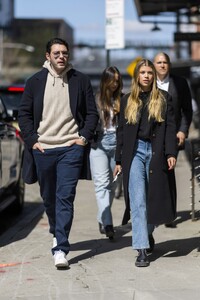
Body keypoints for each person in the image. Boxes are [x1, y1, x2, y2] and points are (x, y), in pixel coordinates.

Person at [18, 37, 99, 269]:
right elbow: (23, 114)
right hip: (43, 149)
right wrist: (32, 140)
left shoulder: (80, 80)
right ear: (48, 56)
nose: (61, 56)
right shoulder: (34, 81)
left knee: (65, 196)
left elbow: (92, 113)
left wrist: (82, 138)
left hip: (70, 149)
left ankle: (61, 247)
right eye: (56, 53)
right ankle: (57, 230)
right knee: (49, 197)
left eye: (64, 53)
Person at [114, 59, 177, 267]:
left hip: (156, 152)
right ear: (137, 76)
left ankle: (148, 233)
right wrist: (118, 159)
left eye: (150, 72)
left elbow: (169, 128)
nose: (147, 76)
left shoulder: (164, 98)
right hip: (134, 153)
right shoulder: (126, 101)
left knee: (153, 199)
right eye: (143, 72)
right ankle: (141, 248)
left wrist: (170, 152)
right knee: (138, 200)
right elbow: (121, 132)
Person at [153, 52, 193, 227]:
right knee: (153, 174)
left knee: (168, 172)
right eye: (159, 62)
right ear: (154, 65)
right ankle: (154, 212)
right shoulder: (147, 81)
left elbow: (186, 110)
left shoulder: (180, 83)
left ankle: (170, 213)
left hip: (172, 135)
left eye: (165, 62)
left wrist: (183, 131)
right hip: (151, 136)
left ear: (169, 65)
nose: (162, 65)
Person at [90, 66, 123, 240]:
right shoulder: (96, 99)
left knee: (113, 186)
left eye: (117, 80)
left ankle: (101, 217)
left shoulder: (122, 100)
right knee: (102, 185)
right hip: (99, 145)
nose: (115, 83)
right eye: (112, 80)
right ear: (105, 80)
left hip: (117, 145)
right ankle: (108, 224)